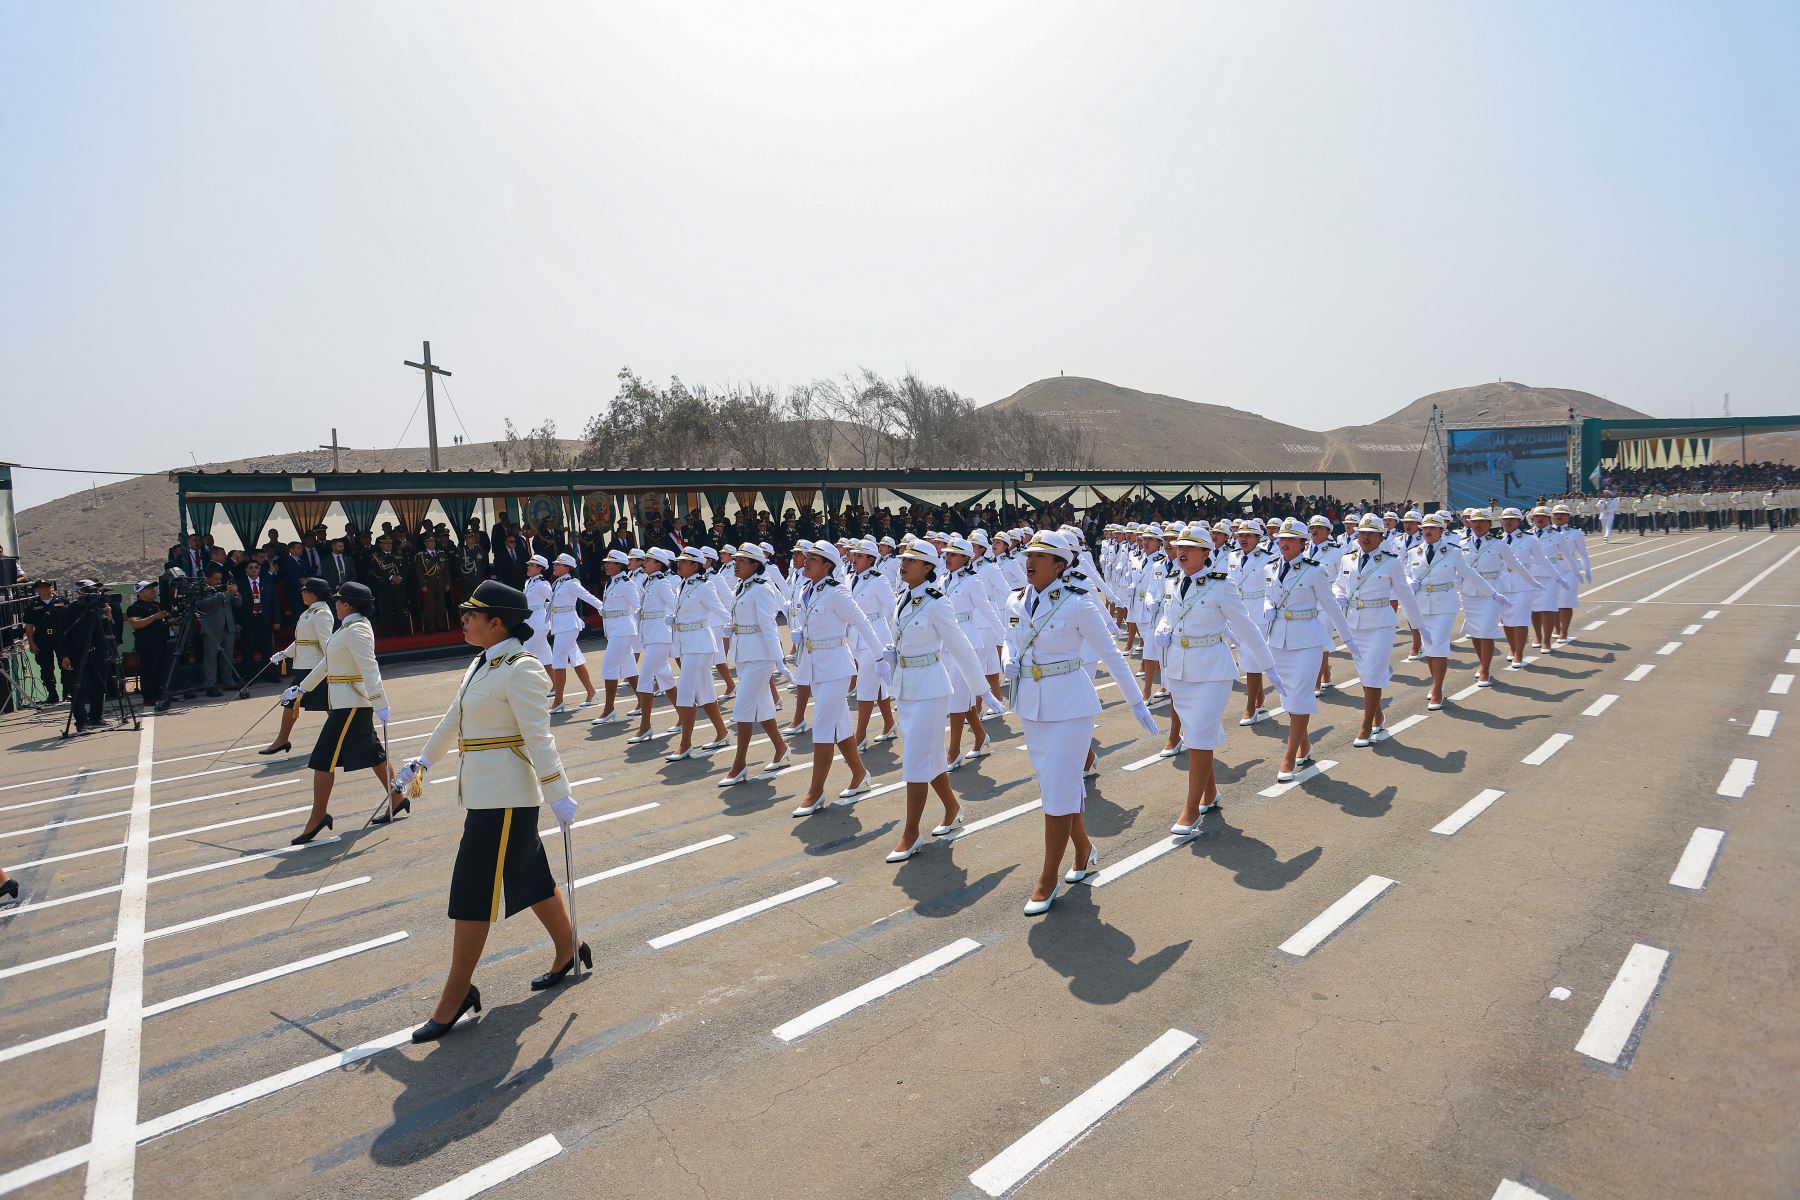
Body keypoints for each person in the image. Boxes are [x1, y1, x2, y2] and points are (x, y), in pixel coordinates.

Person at [393, 580, 584, 1043]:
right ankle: (569, 949)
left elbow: (540, 738)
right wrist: (421, 761)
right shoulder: (483, 663)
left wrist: (558, 792)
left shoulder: (522, 669)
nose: (463, 621)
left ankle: (457, 992)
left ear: (496, 623)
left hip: (505, 799)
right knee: (529, 877)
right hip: (484, 793)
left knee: (473, 892)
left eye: (471, 615)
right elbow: (453, 719)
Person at [1006, 531, 1154, 915]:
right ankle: (1084, 848)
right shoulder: (1014, 600)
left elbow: (1111, 654)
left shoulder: (1077, 604)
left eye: (1042, 556)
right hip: (1032, 706)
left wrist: (1136, 701)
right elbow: (1012, 637)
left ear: (1060, 565)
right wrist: (1010, 657)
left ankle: (1047, 877)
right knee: (1057, 785)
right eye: (1029, 555)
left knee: (1057, 785)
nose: (1031, 561)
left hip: (1070, 705)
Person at [1155, 525, 1279, 834]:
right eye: (1177, 546)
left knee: (1198, 735)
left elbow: (1246, 627)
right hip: (1179, 670)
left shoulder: (1222, 586)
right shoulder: (1172, 582)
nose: (1179, 551)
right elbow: (1169, 616)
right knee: (1198, 733)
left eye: (1189, 547)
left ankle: (1191, 809)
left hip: (1212, 669)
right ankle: (1209, 793)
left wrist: (1269, 666)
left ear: (1206, 553)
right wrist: (1162, 627)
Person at [881, 539, 998, 862]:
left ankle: (911, 833)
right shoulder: (903, 597)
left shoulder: (937, 602)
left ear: (928, 568)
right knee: (929, 757)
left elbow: (960, 647)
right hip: (906, 688)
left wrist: (982, 689)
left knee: (915, 760)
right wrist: (889, 656)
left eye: (911, 561)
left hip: (931, 689)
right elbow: (902, 637)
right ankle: (952, 806)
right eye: (902, 559)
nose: (903, 564)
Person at [281, 581, 395, 843]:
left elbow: (370, 668)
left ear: (348, 605)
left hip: (352, 704)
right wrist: (301, 690)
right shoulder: (347, 627)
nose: (335, 603)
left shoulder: (356, 631)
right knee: (372, 752)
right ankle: (397, 798)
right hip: (345, 702)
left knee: (323, 759)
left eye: (339, 600)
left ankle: (318, 815)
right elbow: (327, 664)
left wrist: (380, 703)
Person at [787, 542, 885, 817]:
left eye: (813, 559)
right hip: (815, 666)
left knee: (822, 726)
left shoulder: (837, 592)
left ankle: (815, 791)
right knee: (840, 725)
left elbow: (863, 623)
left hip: (836, 666)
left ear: (828, 565)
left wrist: (879, 659)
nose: (806, 562)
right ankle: (859, 773)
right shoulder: (807, 589)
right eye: (806, 558)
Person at [1263, 518, 1356, 782]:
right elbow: (1269, 596)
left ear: (1303, 543)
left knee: (1300, 696)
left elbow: (1331, 607)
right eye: (1282, 538)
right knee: (1287, 698)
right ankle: (1303, 744)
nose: (1284, 543)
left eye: (1291, 539)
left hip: (1307, 641)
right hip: (1278, 640)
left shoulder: (1315, 570)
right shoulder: (1270, 568)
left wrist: (1348, 639)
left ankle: (1289, 756)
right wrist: (1267, 607)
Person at [1333, 515, 1425, 746]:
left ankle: (1366, 724)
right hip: (1355, 624)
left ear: (1380, 537)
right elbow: (1337, 584)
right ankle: (1377, 712)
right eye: (1362, 533)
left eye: (1371, 533)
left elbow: (1406, 596)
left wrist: (1418, 625)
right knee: (1365, 673)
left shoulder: (1391, 561)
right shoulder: (1347, 559)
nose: (1365, 537)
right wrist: (1338, 595)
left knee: (1372, 672)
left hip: (1381, 625)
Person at [715, 544, 794, 785]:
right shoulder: (743, 585)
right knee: (762, 708)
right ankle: (781, 749)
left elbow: (769, 626)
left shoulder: (762, 589)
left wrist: (779, 661)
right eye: (736, 560)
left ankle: (739, 765)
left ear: (755, 565)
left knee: (743, 708)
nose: (736, 564)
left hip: (760, 656)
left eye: (742, 560)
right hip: (745, 653)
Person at [664, 547, 732, 759]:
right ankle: (722, 733)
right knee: (705, 692)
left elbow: (721, 611)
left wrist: (738, 627)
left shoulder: (705, 586)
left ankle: (685, 744)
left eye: (684, 562)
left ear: (695, 565)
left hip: (700, 644)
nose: (679, 564)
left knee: (685, 693)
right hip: (687, 644)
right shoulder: (683, 584)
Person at [259, 578, 334, 754]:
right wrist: (285, 653)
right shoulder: (310, 612)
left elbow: (326, 645)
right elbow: (303, 641)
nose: (302, 593)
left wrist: (327, 667)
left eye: (305, 591)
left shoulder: (321, 613)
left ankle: (282, 740)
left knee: (297, 701)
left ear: (314, 594)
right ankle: (283, 739)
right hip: (306, 665)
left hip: (315, 668)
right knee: (329, 706)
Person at [1457, 510, 1529, 686]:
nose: (1478, 525)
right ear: (1470, 524)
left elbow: (1513, 564)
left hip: (1491, 591)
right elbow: (1457, 568)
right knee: (1474, 631)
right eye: (1474, 522)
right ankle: (1482, 662)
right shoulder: (1462, 544)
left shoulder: (1499, 544)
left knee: (1486, 629)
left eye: (1482, 521)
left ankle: (1485, 670)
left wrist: (1531, 581)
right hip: (1469, 592)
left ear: (1490, 524)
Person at [626, 548, 680, 743]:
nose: (644, 563)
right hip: (649, 635)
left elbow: (675, 605)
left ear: (658, 564)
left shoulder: (661, 583)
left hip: (660, 636)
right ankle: (682, 717)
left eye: (648, 560)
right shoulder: (648, 582)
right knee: (665, 678)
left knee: (645, 679)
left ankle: (645, 726)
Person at [1229, 521, 1275, 725]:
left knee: (1251, 658)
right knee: (1246, 655)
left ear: (1258, 538)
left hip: (1258, 612)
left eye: (1249, 535)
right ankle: (1259, 697)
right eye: (1241, 535)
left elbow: (1273, 587)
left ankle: (1251, 706)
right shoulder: (1233, 557)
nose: (1243, 538)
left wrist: (1270, 605)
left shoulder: (1268, 558)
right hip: (1238, 611)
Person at [545, 553, 603, 712]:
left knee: (557, 661)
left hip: (568, 626)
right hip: (561, 625)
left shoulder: (571, 583)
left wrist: (602, 607)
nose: (554, 566)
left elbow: (587, 596)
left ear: (567, 568)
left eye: (558, 564)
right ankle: (591, 692)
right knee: (576, 659)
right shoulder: (557, 582)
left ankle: (558, 700)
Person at [590, 550, 639, 723]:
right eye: (606, 562)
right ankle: (642, 702)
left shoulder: (626, 583)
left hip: (623, 630)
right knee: (630, 669)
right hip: (615, 630)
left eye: (609, 562)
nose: (606, 565)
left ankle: (609, 708)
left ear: (619, 565)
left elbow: (637, 606)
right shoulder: (612, 582)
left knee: (609, 668)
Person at [1546, 503, 1593, 643]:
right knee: (1551, 602)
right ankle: (1556, 628)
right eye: (1556, 514)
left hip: (1569, 570)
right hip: (1551, 570)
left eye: (1563, 514)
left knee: (1566, 601)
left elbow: (1583, 553)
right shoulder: (1545, 533)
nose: (1559, 516)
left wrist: (1587, 569)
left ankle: (1564, 631)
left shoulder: (1575, 533)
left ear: (1568, 516)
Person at [125, 580, 173, 708]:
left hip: (161, 642)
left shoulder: (157, 604)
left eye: (153, 587)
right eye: (149, 588)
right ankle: (149, 698)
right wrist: (154, 617)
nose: (153, 590)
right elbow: (135, 623)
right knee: (148, 671)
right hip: (147, 645)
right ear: (140, 592)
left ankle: (161, 695)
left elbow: (163, 621)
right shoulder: (135, 608)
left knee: (161, 670)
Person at [195, 565, 243, 696]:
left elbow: (238, 603)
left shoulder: (224, 588)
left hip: (229, 627)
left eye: (220, 579)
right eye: (216, 579)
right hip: (212, 629)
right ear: (207, 578)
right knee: (210, 658)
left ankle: (228, 681)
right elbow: (203, 604)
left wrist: (236, 593)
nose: (218, 582)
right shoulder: (202, 590)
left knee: (227, 656)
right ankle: (210, 685)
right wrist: (224, 594)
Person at [24, 579, 66, 704]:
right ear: (37, 590)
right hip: (42, 639)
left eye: (47, 586)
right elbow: (29, 626)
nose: (45, 589)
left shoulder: (62, 601)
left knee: (65, 664)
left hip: (60, 637)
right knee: (46, 668)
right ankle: (52, 694)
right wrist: (31, 643)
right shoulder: (32, 605)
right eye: (41, 587)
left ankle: (67, 692)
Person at [237, 559, 276, 680]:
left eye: (256, 567)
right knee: (248, 649)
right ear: (246, 570)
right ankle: (250, 676)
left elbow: (274, 603)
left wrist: (276, 620)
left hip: (264, 620)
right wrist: (237, 622)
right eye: (251, 568)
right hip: (248, 620)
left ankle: (270, 674)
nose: (254, 570)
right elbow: (235, 606)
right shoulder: (240, 583)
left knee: (267, 649)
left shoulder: (267, 582)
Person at [415, 534, 452, 633]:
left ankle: (442, 625)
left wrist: (448, 582)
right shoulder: (421, 556)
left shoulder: (441, 554)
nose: (432, 544)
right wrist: (423, 585)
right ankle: (430, 627)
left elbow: (446, 570)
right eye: (429, 542)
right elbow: (419, 572)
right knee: (430, 605)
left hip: (440, 583)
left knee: (441, 604)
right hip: (429, 583)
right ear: (425, 543)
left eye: (433, 542)